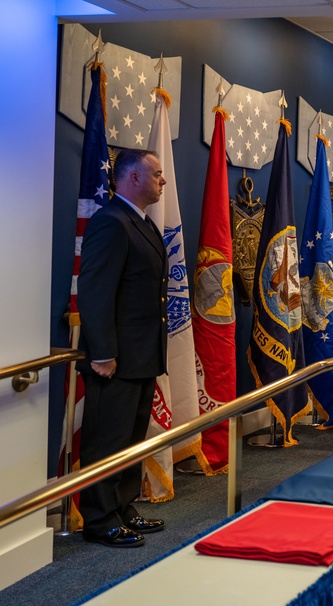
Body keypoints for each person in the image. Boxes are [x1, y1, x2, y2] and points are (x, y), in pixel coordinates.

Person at [76, 149, 169, 548]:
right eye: (157, 174)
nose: (162, 181)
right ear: (131, 177)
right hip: (115, 359)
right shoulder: (111, 222)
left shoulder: (141, 223)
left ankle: (122, 506)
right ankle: (99, 518)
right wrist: (102, 352)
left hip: (142, 353)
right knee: (108, 441)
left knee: (131, 439)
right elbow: (95, 291)